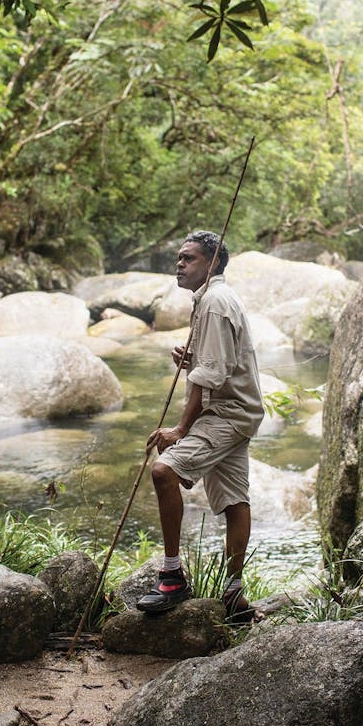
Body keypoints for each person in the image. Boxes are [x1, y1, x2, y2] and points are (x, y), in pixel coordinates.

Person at [137, 230, 264, 621]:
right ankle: (234, 594)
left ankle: (173, 578)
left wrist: (180, 428)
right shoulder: (210, 299)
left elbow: (210, 377)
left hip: (226, 413)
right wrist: (193, 360)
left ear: (213, 263)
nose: (179, 264)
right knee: (233, 500)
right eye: (178, 257)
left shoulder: (213, 302)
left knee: (163, 470)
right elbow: (216, 364)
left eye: (188, 258)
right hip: (239, 411)